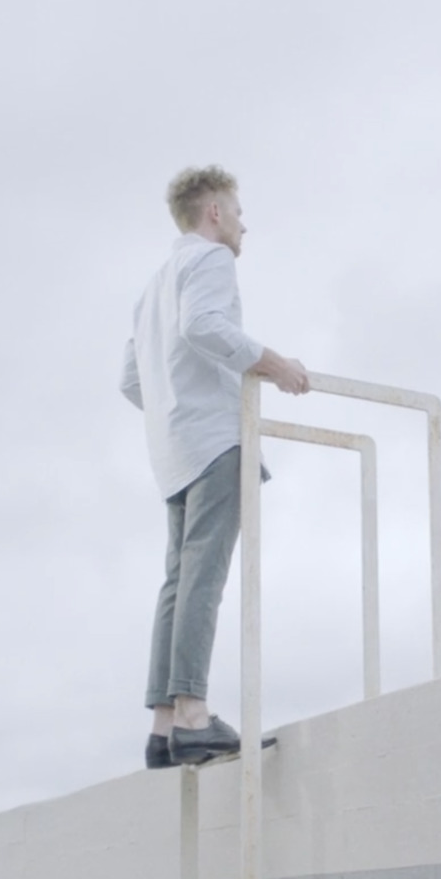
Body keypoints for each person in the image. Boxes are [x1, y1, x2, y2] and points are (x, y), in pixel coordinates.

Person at [120, 166, 309, 768]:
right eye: (238, 211)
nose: (245, 224)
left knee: (178, 584)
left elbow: (131, 381)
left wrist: (177, 406)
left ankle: (163, 728)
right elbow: (203, 325)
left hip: (174, 452)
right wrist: (273, 365)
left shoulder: (152, 288)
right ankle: (195, 715)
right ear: (215, 214)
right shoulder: (209, 261)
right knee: (201, 579)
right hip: (216, 441)